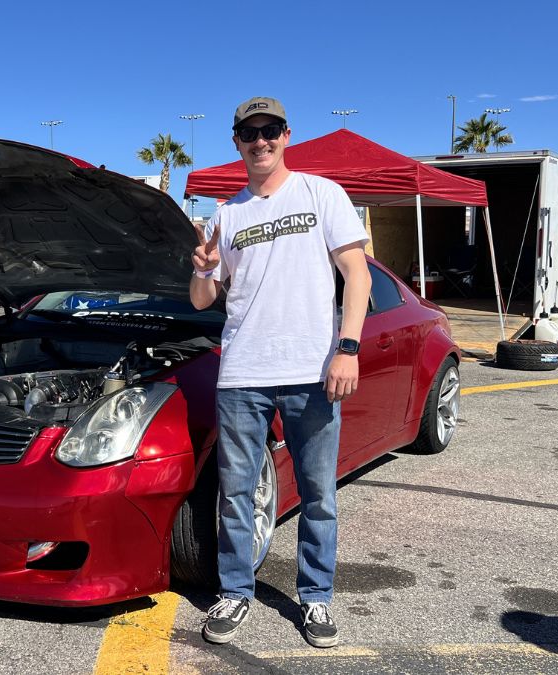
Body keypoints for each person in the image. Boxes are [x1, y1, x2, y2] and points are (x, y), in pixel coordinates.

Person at [190, 97, 371, 648]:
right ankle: (235, 593)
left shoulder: (321, 194)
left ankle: (316, 598)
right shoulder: (228, 214)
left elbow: (357, 277)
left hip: (311, 371)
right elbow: (204, 301)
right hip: (242, 372)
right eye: (249, 132)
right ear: (236, 141)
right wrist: (199, 269)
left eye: (270, 131)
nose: (260, 141)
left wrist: (348, 348)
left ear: (287, 135)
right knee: (236, 493)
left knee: (318, 493)